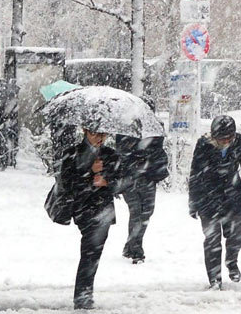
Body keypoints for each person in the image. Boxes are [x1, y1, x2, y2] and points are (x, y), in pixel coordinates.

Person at [188, 115, 241, 289]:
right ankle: (214, 278)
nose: (224, 141)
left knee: (236, 237)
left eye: (228, 138)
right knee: (212, 240)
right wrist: (193, 201)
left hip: (233, 196)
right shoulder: (203, 144)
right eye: (220, 139)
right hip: (208, 197)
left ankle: (231, 260)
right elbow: (195, 174)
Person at [60, 128, 120, 310]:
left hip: (103, 210)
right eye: (95, 134)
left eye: (104, 134)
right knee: (90, 252)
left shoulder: (111, 155)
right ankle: (83, 295)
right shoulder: (72, 153)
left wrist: (107, 181)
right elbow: (67, 183)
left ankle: (84, 294)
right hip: (83, 209)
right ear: (85, 132)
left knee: (93, 253)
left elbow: (122, 181)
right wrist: (89, 173)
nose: (100, 138)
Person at [116, 134, 169, 263]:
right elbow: (121, 154)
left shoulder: (153, 131)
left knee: (146, 212)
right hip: (130, 178)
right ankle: (136, 250)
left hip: (148, 178)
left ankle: (131, 245)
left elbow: (159, 153)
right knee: (136, 212)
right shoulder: (126, 129)